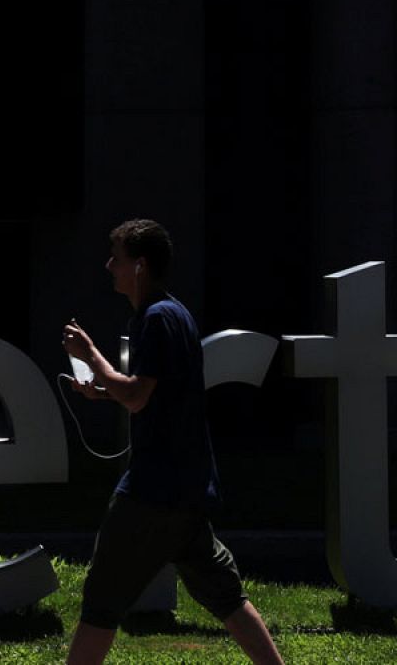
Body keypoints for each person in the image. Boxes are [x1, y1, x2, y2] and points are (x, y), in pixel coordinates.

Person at [61, 219, 284, 665]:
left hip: (151, 492)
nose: (109, 266)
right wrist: (101, 391)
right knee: (226, 595)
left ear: (139, 266)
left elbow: (138, 396)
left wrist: (93, 357)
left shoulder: (155, 319)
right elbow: (160, 392)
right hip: (187, 489)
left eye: (117, 258)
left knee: (101, 601)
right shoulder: (176, 314)